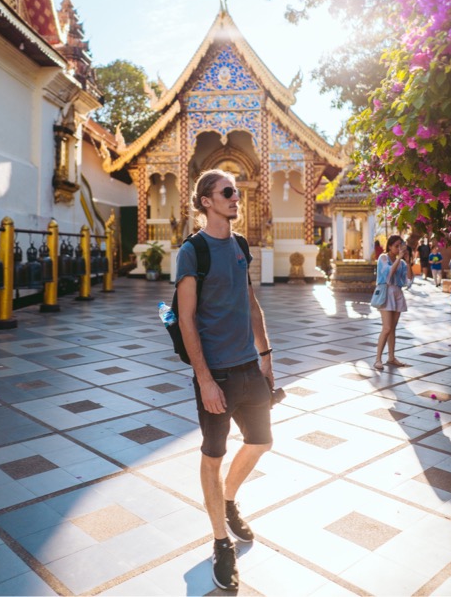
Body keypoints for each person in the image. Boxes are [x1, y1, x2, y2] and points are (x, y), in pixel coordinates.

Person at [175, 169, 275, 591]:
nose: (236, 198)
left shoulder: (239, 244)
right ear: (206, 201)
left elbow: (250, 302)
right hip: (216, 374)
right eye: (227, 193)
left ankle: (229, 500)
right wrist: (204, 381)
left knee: (261, 442)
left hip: (249, 367)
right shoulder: (192, 251)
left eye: (236, 192)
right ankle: (220, 542)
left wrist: (266, 356)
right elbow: (185, 319)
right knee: (213, 456)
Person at [374, 235, 410, 371]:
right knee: (387, 328)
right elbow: (388, 274)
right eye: (396, 246)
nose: (399, 248)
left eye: (401, 246)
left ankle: (391, 357)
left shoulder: (401, 263)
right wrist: (399, 258)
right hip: (386, 293)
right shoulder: (383, 258)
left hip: (397, 293)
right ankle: (378, 359)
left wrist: (407, 261)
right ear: (389, 246)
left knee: (393, 329)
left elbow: (408, 281)